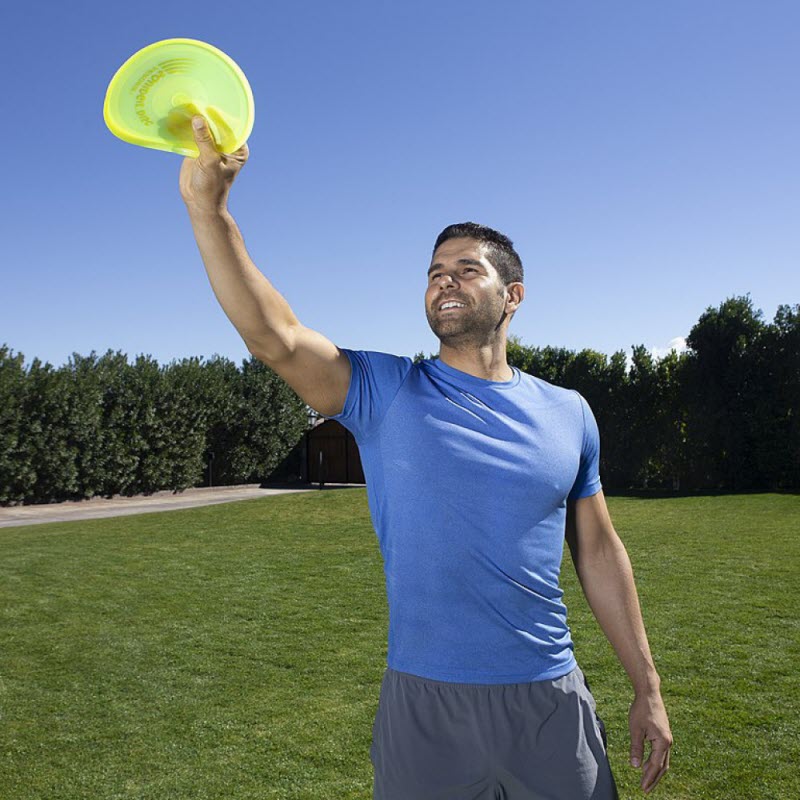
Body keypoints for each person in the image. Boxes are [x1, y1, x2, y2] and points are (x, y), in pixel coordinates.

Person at [180, 114, 673, 799]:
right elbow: (277, 338)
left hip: (549, 700)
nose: (446, 281)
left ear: (513, 296)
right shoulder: (385, 392)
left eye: (468, 270)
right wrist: (209, 211)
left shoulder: (570, 412)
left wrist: (647, 686)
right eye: (436, 272)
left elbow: (598, 551)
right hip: (424, 706)